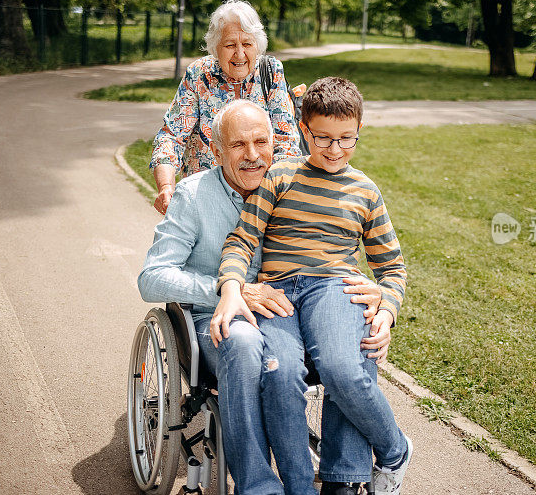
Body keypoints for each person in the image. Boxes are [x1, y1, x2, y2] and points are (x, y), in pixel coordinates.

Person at [138, 99, 389, 495]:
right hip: (220, 321)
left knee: (354, 339)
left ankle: (346, 477)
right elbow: (152, 278)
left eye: (261, 142)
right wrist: (228, 291)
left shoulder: (290, 181)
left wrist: (378, 297)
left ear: (277, 142)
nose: (253, 155)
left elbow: (334, 243)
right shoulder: (193, 196)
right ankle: (258, 486)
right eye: (238, 145)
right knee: (246, 342)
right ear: (217, 150)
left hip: (291, 314)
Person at [213, 78, 413, 495]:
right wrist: (232, 286)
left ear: (359, 132)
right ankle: (298, 487)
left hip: (332, 289)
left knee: (345, 369)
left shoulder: (365, 191)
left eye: (347, 139)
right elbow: (242, 239)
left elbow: (391, 268)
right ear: (305, 131)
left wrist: (388, 311)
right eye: (323, 138)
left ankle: (392, 450)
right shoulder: (281, 175)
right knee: (281, 372)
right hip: (279, 293)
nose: (335, 149)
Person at [149, 0, 301, 215]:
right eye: (230, 45)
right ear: (215, 47)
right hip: (204, 202)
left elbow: (286, 143)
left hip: (260, 202)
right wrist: (166, 187)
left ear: (257, 44)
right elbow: (171, 136)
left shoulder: (271, 71)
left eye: (247, 44)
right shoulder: (199, 75)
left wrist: (270, 198)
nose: (239, 54)